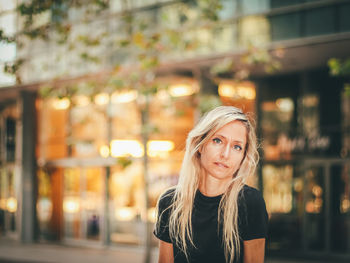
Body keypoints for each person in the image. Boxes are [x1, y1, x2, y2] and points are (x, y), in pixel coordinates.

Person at [154, 106, 268, 263]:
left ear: (242, 157)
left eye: (237, 147)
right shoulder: (170, 202)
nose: (225, 154)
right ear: (200, 144)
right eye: (218, 140)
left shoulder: (249, 202)